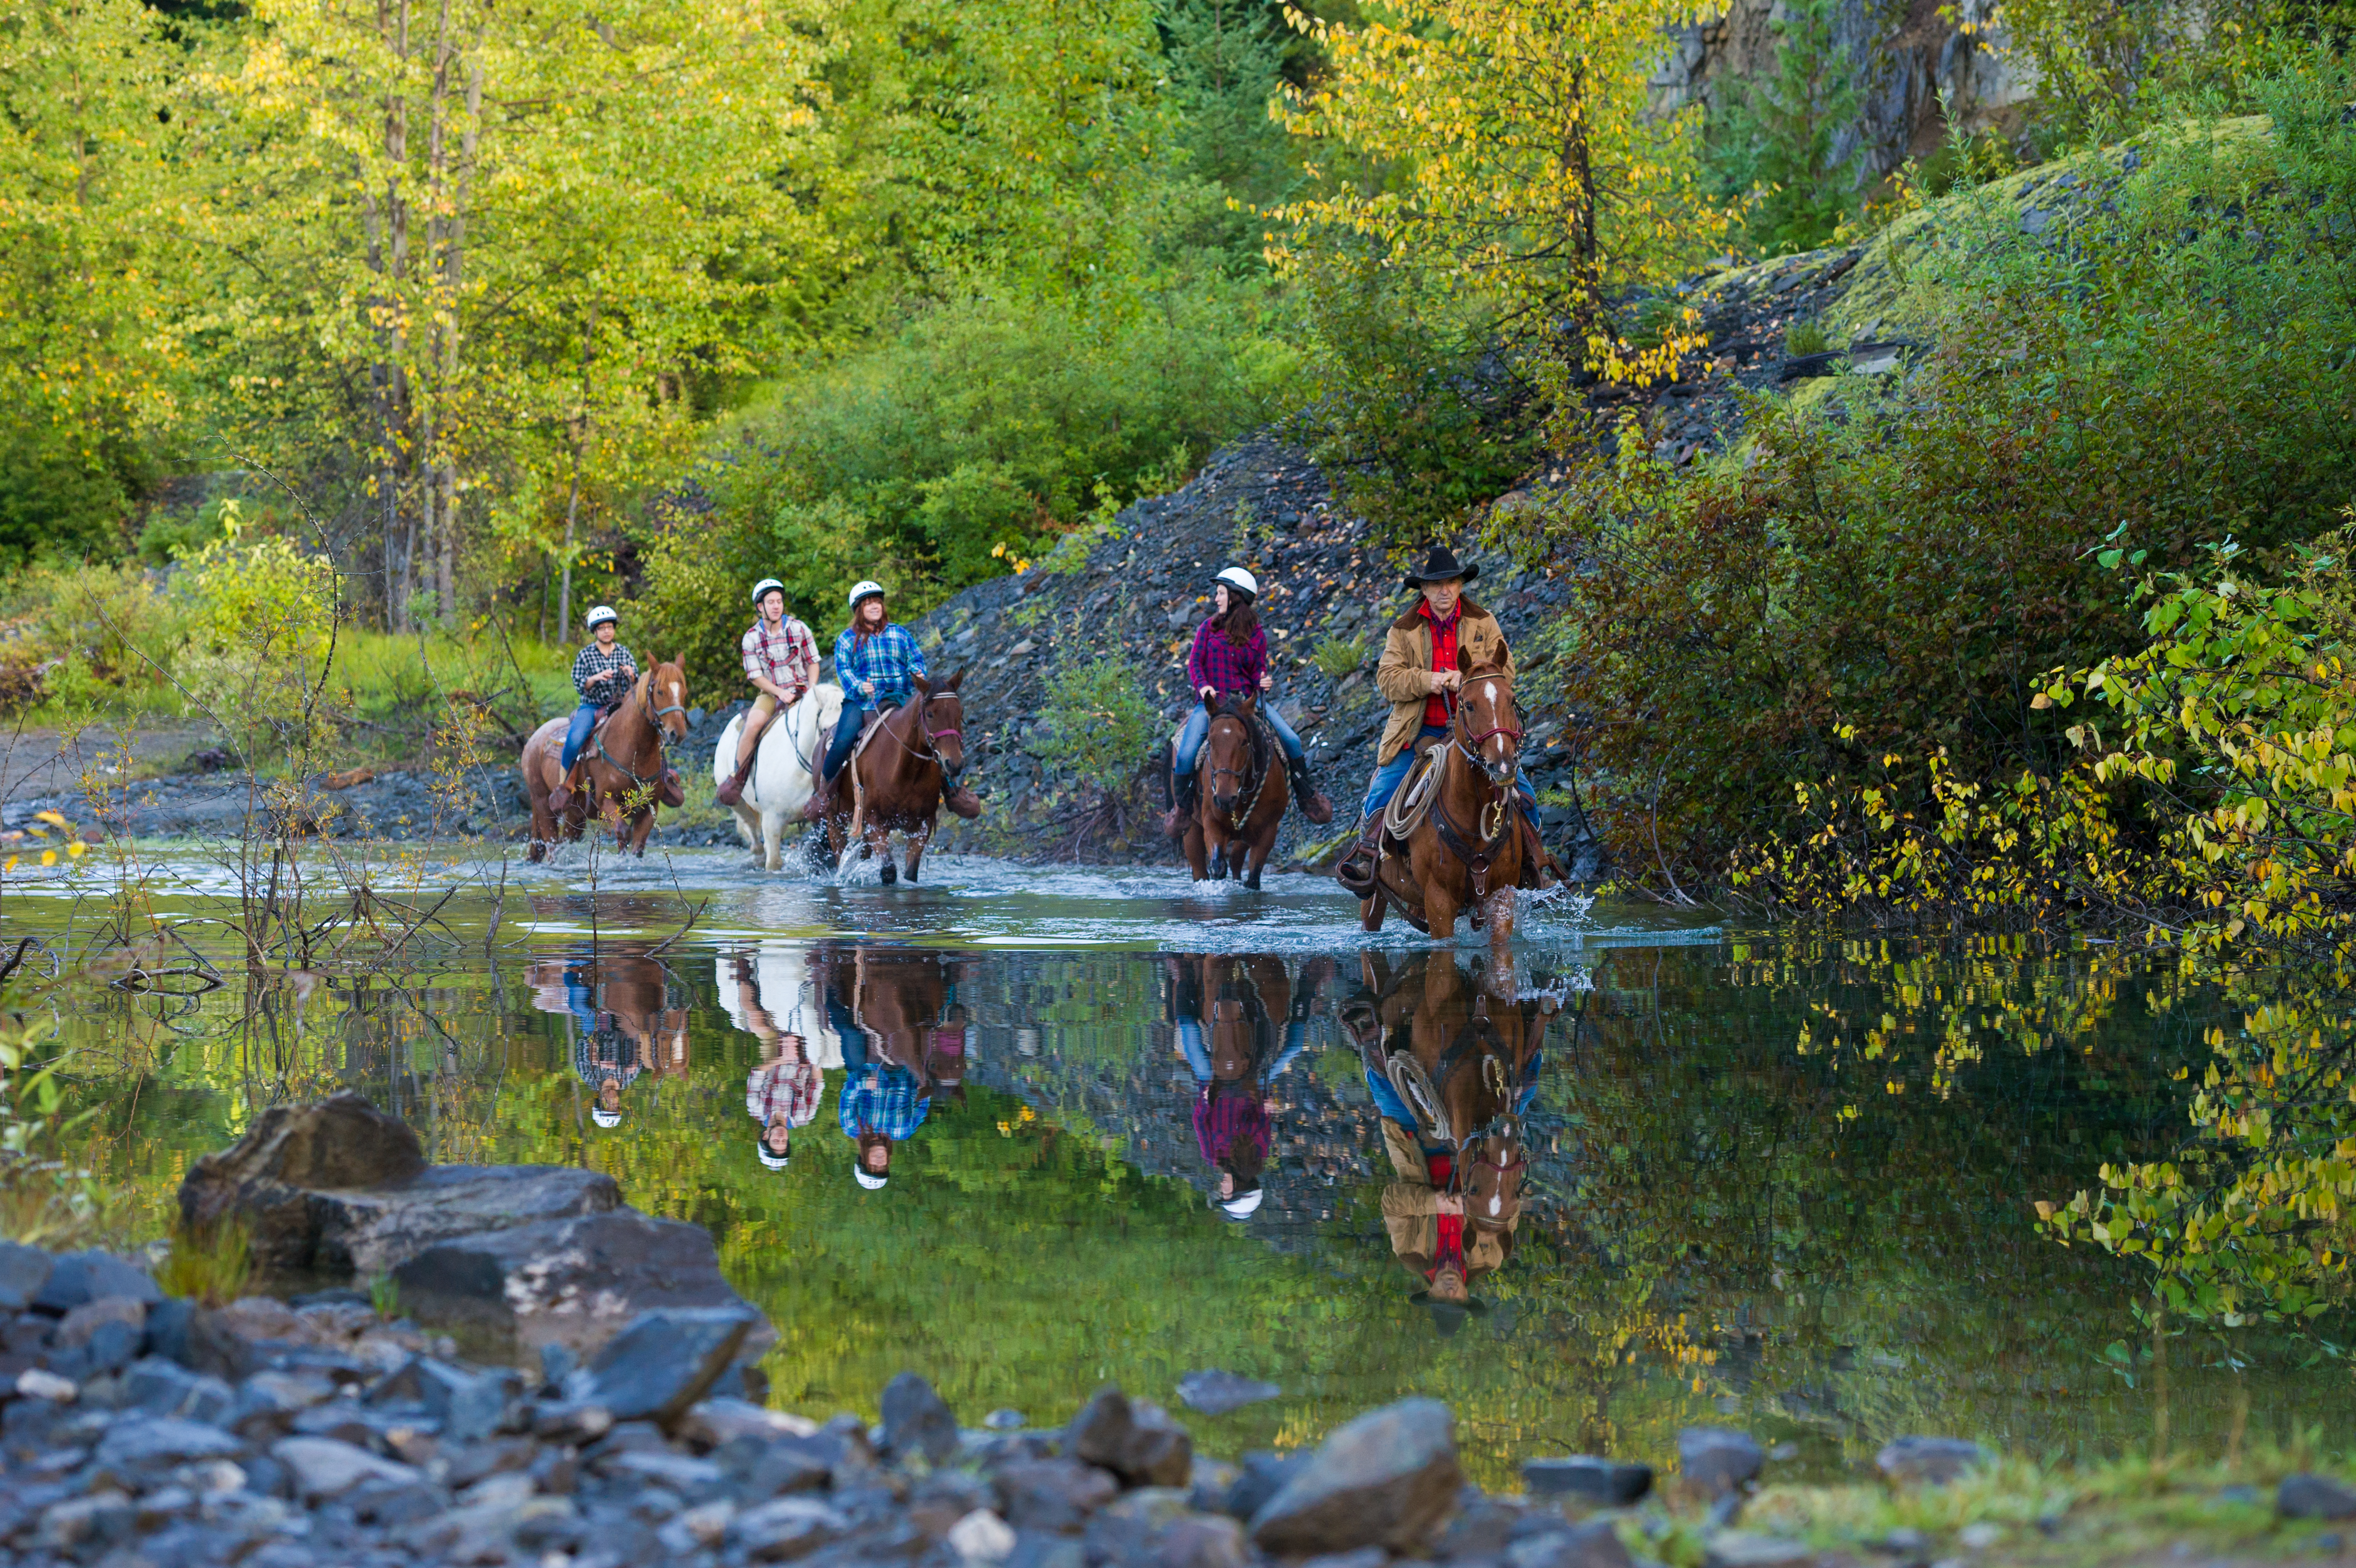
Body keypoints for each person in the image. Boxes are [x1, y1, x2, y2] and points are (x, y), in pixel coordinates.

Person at [1334, 546, 1555, 895]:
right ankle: (1367, 858)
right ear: (1424, 589)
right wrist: (1430, 680)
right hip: (1418, 731)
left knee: (1522, 790)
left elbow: (1506, 670)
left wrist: (1466, 677)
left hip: (1475, 731)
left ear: (1460, 586)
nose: (1444, 591)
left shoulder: (1484, 622)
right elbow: (1387, 679)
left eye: (1451, 583)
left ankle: (1535, 864)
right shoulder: (1403, 630)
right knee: (1384, 790)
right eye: (1436, 585)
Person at [1162, 567, 1333, 836]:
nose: (1216, 599)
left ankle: (1307, 797)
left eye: (1220, 593)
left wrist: (1263, 681)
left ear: (1236, 596)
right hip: (1211, 705)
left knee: (1292, 740)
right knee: (1184, 755)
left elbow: (1257, 670)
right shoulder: (1207, 628)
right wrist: (1203, 686)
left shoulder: (1257, 634)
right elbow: (1195, 663)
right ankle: (1182, 810)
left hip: (1246, 705)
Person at [807, 581, 982, 821]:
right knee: (842, 740)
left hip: (900, 698)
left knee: (929, 733)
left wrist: (918, 672)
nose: (875, 606)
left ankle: (951, 790)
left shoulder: (900, 633)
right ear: (859, 609)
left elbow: (916, 659)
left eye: (877, 602)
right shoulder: (848, 639)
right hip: (863, 702)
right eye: (868, 603)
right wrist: (859, 685)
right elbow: (844, 671)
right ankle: (823, 796)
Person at [717, 577, 820, 808]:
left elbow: (813, 661)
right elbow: (755, 676)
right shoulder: (752, 637)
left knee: (831, 721)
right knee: (752, 725)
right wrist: (779, 693)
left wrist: (813, 689)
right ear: (760, 607)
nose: (776, 606)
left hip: (804, 690)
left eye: (779, 601)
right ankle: (739, 779)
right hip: (771, 694)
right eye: (771, 602)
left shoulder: (799, 628)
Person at [553, 606, 636, 810]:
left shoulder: (624, 653)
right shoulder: (586, 655)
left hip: (620, 705)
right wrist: (595, 678)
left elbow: (637, 683)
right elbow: (579, 683)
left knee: (645, 730)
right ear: (595, 632)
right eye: (602, 628)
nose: (607, 631)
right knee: (574, 740)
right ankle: (564, 785)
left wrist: (631, 674)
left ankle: (658, 779)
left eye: (610, 627)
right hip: (593, 706)